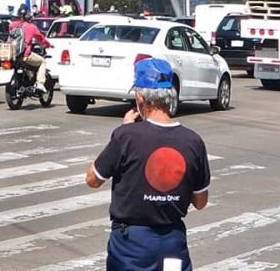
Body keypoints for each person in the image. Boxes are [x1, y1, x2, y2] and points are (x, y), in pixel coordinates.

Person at [85, 58, 210, 271]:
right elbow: (200, 202)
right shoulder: (193, 141)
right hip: (173, 242)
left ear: (140, 97)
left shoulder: (126, 136)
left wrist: (123, 130)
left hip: (132, 245)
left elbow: (93, 179)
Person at [9, 5, 52, 93]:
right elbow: (41, 39)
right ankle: (40, 84)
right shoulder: (32, 27)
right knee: (42, 61)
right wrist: (48, 45)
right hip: (25, 54)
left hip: (13, 55)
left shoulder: (12, 25)